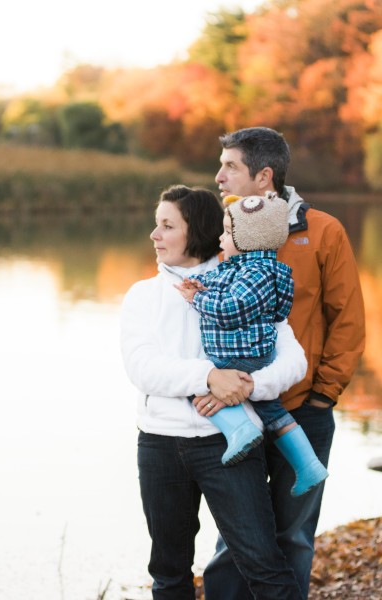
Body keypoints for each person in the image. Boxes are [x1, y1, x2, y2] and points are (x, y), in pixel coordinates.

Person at [120, 184, 307, 599]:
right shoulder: (142, 296)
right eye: (156, 225)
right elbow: (143, 368)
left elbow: (293, 362)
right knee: (169, 574)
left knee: (264, 565)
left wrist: (249, 386)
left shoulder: (246, 286)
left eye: (167, 226)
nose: (155, 235)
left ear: (199, 230)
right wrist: (209, 377)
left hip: (230, 447)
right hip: (160, 446)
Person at [203, 127, 366, 600]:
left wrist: (323, 396)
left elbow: (348, 322)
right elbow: (201, 319)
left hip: (303, 412)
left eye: (230, 166)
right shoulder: (222, 233)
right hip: (237, 411)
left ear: (264, 176)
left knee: (293, 536)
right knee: (234, 539)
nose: (219, 176)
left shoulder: (323, 231)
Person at [176, 191, 328, 497]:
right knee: (273, 412)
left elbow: (232, 308)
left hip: (238, 355)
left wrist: (197, 297)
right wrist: (203, 286)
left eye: (229, 232)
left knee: (197, 383)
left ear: (250, 239)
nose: (221, 238)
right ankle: (309, 465)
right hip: (255, 352)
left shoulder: (253, 273)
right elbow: (254, 299)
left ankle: (240, 430)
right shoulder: (260, 269)